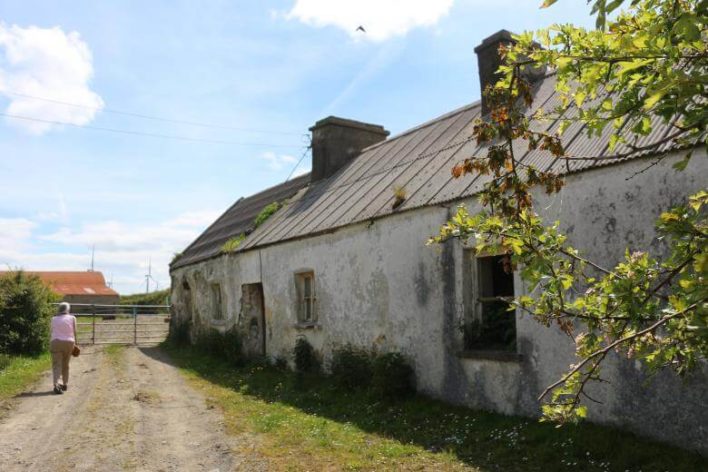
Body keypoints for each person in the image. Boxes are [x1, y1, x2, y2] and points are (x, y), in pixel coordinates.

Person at [50, 302, 77, 394]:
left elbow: (52, 331)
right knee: (66, 364)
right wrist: (76, 344)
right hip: (69, 342)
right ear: (68, 309)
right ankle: (65, 384)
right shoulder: (72, 318)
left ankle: (57, 384)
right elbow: (75, 331)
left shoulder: (53, 319)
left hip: (56, 342)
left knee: (57, 364)